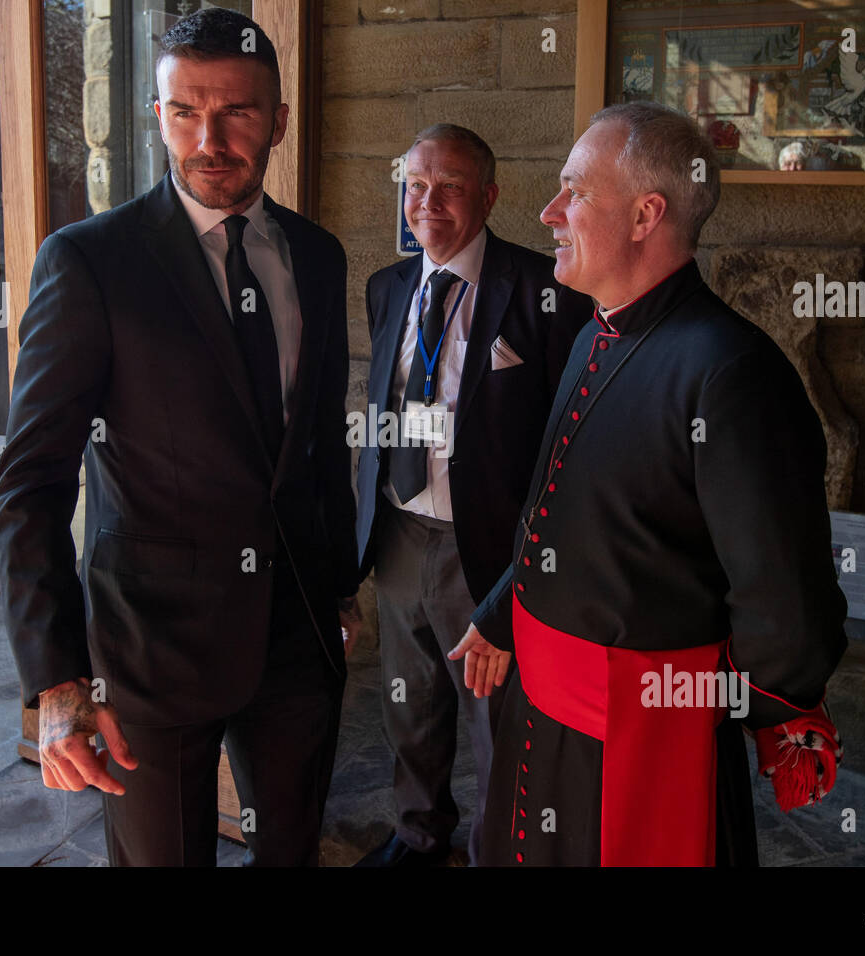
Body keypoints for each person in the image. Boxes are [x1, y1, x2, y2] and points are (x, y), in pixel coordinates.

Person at [0, 8, 360, 867]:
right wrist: (56, 680)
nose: (209, 139)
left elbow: (320, 442)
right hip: (149, 651)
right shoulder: (90, 262)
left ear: (278, 120)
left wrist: (338, 589)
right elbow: (31, 480)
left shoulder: (317, 257)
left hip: (296, 638)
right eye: (186, 111)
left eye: (237, 112)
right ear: (157, 115)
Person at [450, 102, 848, 866]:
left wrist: (767, 708)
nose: (550, 212)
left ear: (646, 215)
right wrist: (504, 611)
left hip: (641, 741)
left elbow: (784, 602)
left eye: (574, 192)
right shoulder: (593, 331)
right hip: (542, 714)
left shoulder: (732, 373)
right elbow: (564, 512)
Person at [353, 125, 592, 866]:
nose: (428, 202)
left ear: (488, 196)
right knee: (410, 705)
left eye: (450, 186)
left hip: (487, 546)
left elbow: (569, 437)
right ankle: (418, 837)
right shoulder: (388, 287)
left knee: (498, 719)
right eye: (416, 185)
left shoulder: (547, 288)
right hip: (399, 534)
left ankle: (501, 851)